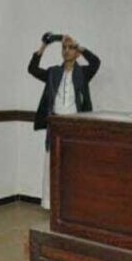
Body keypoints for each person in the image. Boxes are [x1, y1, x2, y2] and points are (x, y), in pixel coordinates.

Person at [28, 34, 100, 209]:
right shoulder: (53, 73)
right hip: (56, 126)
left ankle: (73, 204)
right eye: (64, 48)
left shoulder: (83, 73)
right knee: (52, 165)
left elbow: (96, 62)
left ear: (77, 53)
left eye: (71, 48)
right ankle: (51, 204)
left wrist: (79, 46)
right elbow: (33, 69)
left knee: (73, 166)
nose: (67, 51)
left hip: (76, 126)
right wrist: (44, 45)